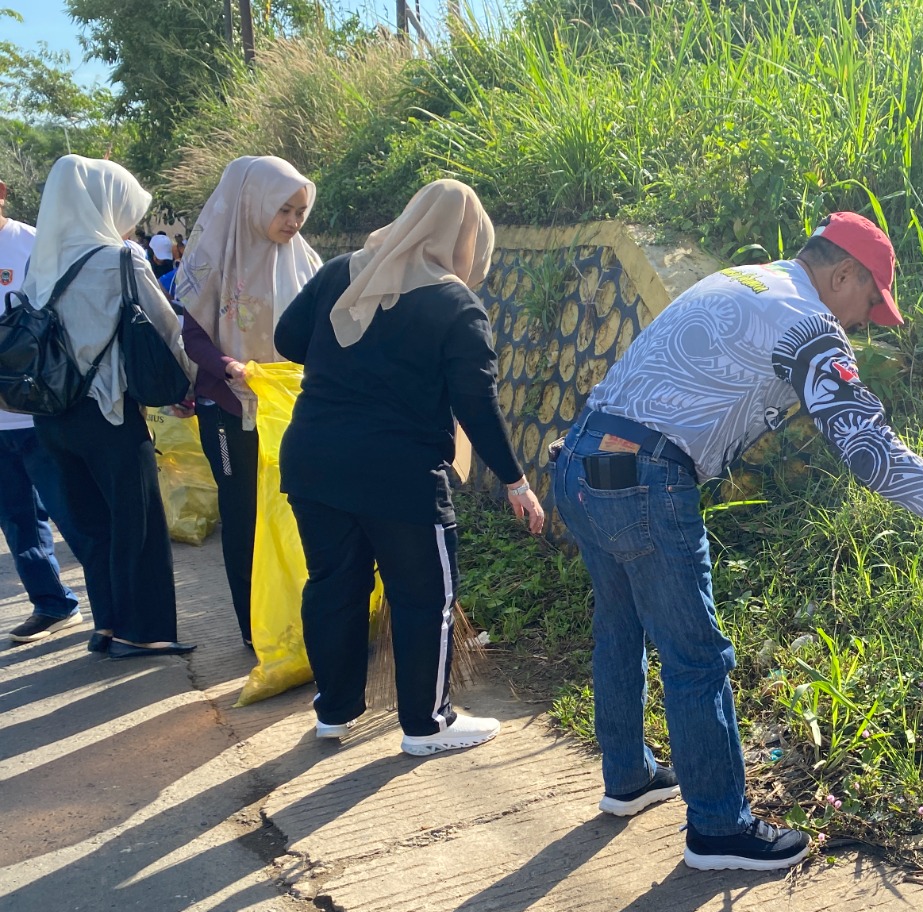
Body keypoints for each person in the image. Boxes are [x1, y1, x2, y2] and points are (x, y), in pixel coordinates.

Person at [552, 212, 923, 872]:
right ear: (842, 274)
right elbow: (869, 451)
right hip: (642, 476)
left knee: (619, 626)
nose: (866, 321)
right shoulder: (809, 324)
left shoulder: (743, 279)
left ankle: (629, 777)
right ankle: (719, 830)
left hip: (580, 460)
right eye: (870, 302)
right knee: (695, 655)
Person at [275, 179, 544, 756]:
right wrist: (516, 481)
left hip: (314, 459)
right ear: (468, 239)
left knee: (333, 585)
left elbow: (287, 337)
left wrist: (347, 362)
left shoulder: (343, 272)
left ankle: (333, 712)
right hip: (398, 475)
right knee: (425, 597)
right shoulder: (454, 302)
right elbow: (477, 403)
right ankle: (427, 724)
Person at [24, 155, 195, 659]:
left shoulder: (43, 259)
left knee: (92, 524)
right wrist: (183, 388)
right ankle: (144, 631)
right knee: (136, 522)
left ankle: (106, 625)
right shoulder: (121, 258)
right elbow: (166, 331)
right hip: (109, 411)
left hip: (51, 414)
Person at [173, 156, 320, 648]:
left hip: (292, 411)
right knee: (243, 519)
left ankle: (299, 623)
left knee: (295, 513)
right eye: (284, 210)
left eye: (301, 211)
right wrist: (228, 367)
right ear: (255, 204)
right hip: (230, 408)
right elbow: (191, 335)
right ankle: (256, 633)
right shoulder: (212, 255)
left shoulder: (304, 260)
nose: (294, 222)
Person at [0, 176, 85, 645]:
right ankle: (52, 603)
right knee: (16, 519)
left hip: (39, 411)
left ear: (1, 191)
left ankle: (116, 610)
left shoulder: (30, 244)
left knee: (71, 509)